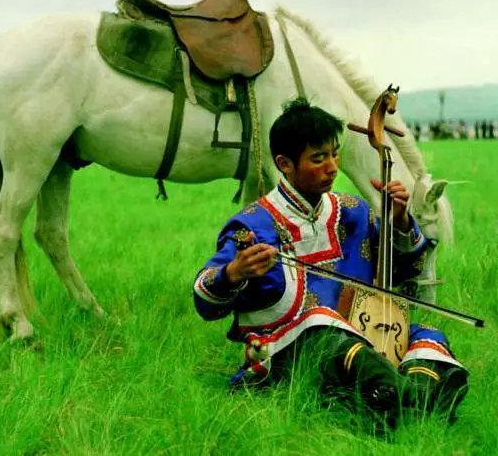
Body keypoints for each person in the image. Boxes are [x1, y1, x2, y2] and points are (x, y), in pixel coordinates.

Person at [193, 98, 468, 426]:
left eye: (335, 154)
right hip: (283, 352)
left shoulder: (354, 211)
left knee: (428, 338)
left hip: (362, 340)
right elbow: (204, 299)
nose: (333, 166)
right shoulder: (253, 225)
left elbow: (405, 270)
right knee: (320, 321)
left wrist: (400, 222)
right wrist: (233, 273)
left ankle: (404, 401)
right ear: (285, 164)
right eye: (319, 158)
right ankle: (412, 402)